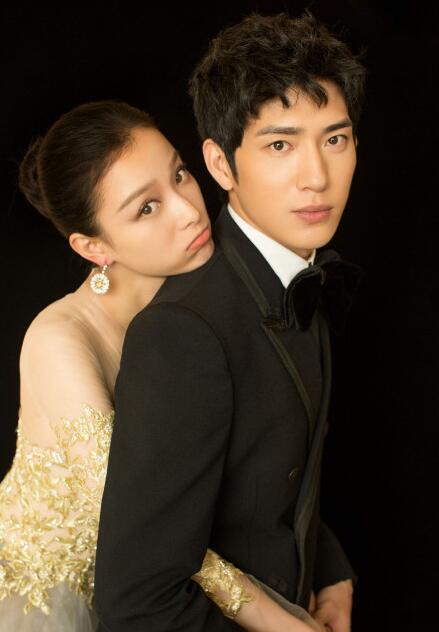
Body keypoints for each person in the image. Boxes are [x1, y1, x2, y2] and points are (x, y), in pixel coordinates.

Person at [0, 99, 322, 632]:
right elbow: (146, 532)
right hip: (51, 600)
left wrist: (327, 566)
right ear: (93, 246)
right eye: (146, 208)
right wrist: (279, 621)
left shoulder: (207, 296)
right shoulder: (59, 342)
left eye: (179, 174)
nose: (189, 210)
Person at [94, 11, 366, 632]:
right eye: (280, 145)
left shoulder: (301, 272)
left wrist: (332, 572)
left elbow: (272, 479)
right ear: (220, 165)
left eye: (335, 140)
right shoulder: (182, 333)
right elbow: (138, 603)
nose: (317, 177)